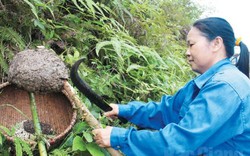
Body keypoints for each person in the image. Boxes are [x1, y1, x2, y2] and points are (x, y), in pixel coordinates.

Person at [92, 17, 250, 155]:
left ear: (216, 43)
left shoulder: (226, 87)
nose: (187, 52)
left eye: (191, 44)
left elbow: (180, 142)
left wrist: (119, 137)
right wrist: (125, 110)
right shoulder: (205, 82)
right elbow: (166, 110)